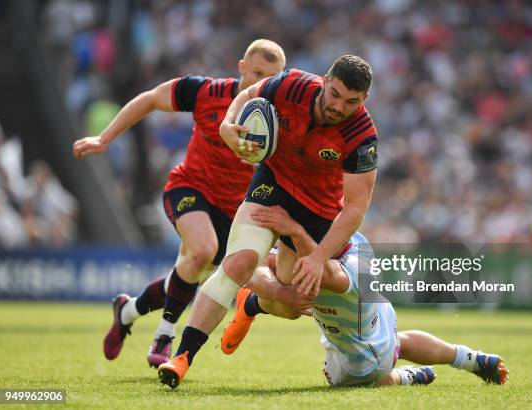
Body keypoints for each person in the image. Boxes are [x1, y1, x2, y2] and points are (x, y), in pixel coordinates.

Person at [158, 55, 380, 388]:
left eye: (351, 102)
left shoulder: (362, 136)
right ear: (324, 80)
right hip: (272, 185)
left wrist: (319, 257)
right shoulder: (291, 84)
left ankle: (253, 303)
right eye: (334, 94)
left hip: (318, 214)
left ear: (364, 100)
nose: (338, 106)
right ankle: (182, 356)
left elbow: (355, 209)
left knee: (293, 304)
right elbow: (247, 95)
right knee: (241, 261)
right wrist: (227, 124)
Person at [72, 39, 286, 367]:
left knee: (188, 274)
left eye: (270, 78)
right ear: (241, 66)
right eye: (256, 73)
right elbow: (151, 99)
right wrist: (105, 138)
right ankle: (165, 333)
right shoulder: (205, 91)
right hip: (190, 188)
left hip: (235, 212)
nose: (261, 83)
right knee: (200, 251)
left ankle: (127, 310)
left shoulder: (283, 118)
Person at [228, 205, 509, 387]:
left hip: (361, 358)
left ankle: (406, 377)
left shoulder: (348, 270)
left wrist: (293, 229)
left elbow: (321, 270)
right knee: (401, 342)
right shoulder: (353, 241)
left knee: (375, 376)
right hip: (373, 328)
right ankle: (474, 359)